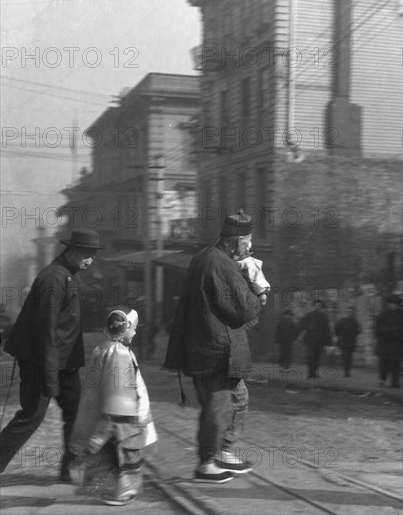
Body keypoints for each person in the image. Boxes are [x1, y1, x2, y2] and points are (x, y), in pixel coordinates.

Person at [164, 211, 264, 484]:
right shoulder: (219, 264)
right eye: (248, 241)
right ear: (236, 240)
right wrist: (259, 292)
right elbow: (243, 309)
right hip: (215, 349)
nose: (250, 247)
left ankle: (224, 452)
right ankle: (207, 463)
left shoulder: (209, 257)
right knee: (219, 406)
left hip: (210, 346)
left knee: (238, 399)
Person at [0, 229, 106, 480]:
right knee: (31, 416)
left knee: (77, 412)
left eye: (93, 255)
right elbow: (45, 331)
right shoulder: (54, 278)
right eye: (86, 254)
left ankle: (70, 470)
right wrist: (49, 376)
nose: (90, 261)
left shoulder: (67, 275)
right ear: (71, 250)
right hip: (42, 362)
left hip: (65, 363)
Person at [68, 307, 157, 506]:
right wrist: (116, 421)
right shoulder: (119, 354)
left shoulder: (103, 349)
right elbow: (119, 392)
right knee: (125, 455)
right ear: (124, 330)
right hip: (124, 419)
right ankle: (120, 491)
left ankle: (109, 487)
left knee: (113, 455)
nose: (135, 332)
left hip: (113, 416)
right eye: (133, 328)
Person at [375, 294, 403, 388]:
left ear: (398, 305)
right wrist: (390, 331)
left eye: (395, 304)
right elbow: (378, 328)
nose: (392, 306)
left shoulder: (402, 315)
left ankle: (395, 382)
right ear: (388, 304)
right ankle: (382, 379)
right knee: (384, 363)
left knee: (396, 363)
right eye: (391, 303)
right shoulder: (383, 314)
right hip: (385, 343)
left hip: (397, 343)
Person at [298, 299, 332, 378]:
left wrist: (329, 343)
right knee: (310, 357)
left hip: (320, 341)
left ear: (321, 307)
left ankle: (314, 373)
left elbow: (327, 330)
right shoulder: (309, 315)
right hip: (310, 341)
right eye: (316, 305)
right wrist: (296, 334)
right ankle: (310, 373)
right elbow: (301, 325)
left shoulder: (324, 317)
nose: (317, 307)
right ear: (314, 306)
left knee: (317, 357)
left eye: (319, 306)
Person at [335, 307, 361, 377]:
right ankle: (345, 371)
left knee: (349, 357)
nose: (350, 313)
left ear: (353, 313)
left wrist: (352, 335)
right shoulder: (342, 320)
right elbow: (337, 329)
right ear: (347, 312)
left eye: (351, 312)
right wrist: (340, 335)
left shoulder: (355, 322)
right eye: (349, 312)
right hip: (344, 342)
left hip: (351, 342)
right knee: (345, 357)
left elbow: (358, 331)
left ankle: (347, 371)